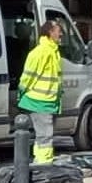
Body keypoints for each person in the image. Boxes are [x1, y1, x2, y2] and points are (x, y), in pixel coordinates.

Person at [16, 19, 64, 164]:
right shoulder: (41, 52)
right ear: (50, 32)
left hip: (46, 101)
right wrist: (21, 93)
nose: (61, 34)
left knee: (43, 136)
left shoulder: (52, 51)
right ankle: (44, 166)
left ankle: (40, 161)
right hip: (40, 100)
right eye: (58, 31)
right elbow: (27, 77)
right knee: (45, 136)